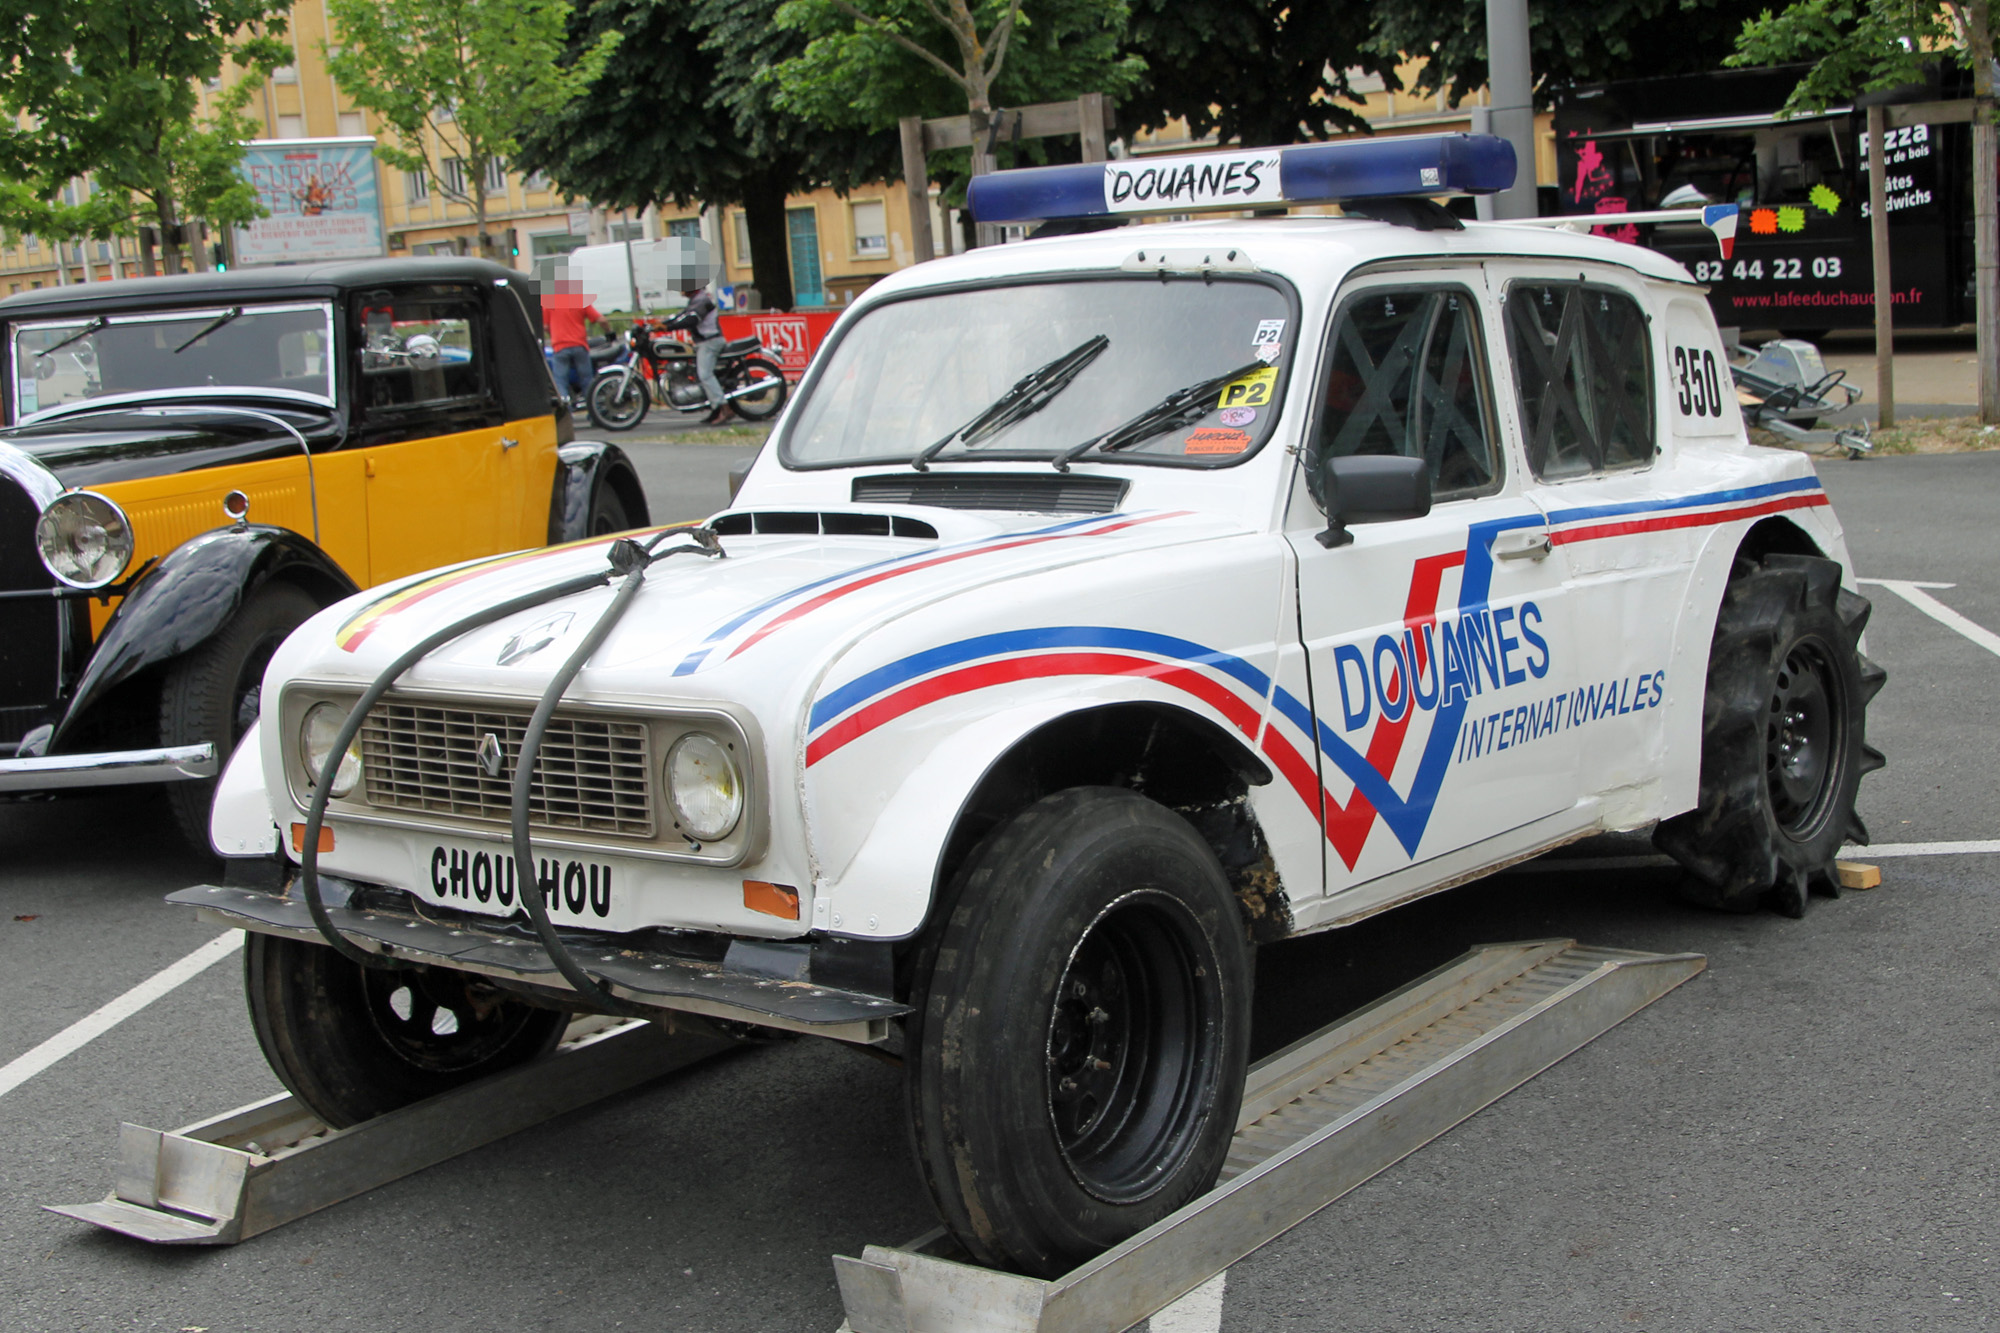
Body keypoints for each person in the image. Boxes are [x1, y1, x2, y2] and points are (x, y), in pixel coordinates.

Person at [544, 276, 605, 408]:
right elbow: (601, 319)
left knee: (560, 382)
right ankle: (594, 413)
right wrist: (609, 333)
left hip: (560, 347)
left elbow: (545, 326)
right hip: (580, 346)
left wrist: (554, 334)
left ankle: (567, 414)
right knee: (587, 381)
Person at [676, 280, 730, 423]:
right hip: (704, 342)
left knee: (705, 375)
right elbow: (682, 316)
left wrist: (667, 327)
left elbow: (691, 320)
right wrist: (663, 324)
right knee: (699, 374)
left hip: (710, 341)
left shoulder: (702, 300)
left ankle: (725, 408)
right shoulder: (695, 300)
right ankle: (715, 409)